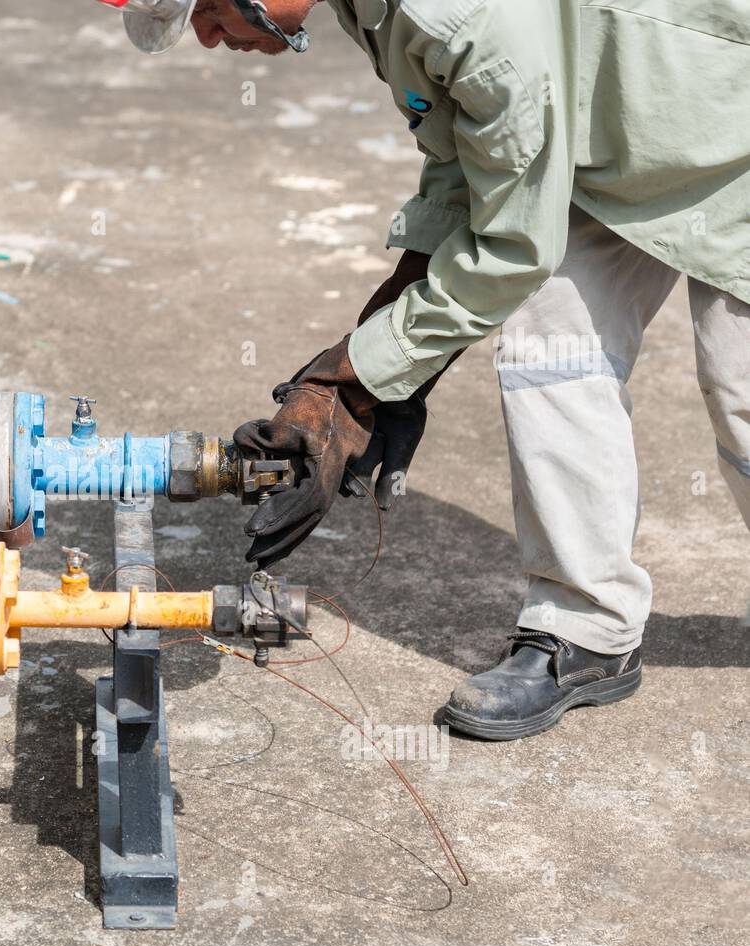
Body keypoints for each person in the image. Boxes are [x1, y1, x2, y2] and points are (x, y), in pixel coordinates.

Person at [93, 0, 750, 739]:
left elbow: (510, 251)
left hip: (727, 129)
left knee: (740, 394)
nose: (210, 36)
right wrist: (385, 367)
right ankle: (587, 628)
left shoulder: (449, 12)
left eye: (209, 8)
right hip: (597, 147)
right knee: (548, 341)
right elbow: (467, 161)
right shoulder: (369, 10)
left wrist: (356, 378)